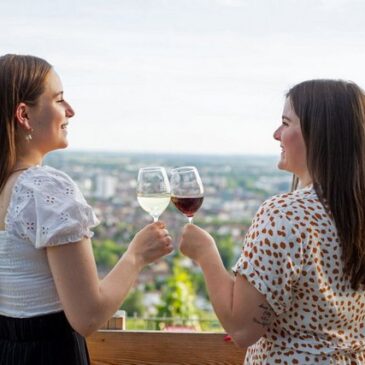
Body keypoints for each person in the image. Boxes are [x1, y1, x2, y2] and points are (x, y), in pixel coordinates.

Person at [0, 54, 173, 365]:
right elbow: (88, 315)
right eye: (59, 99)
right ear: (23, 115)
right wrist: (136, 255)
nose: (71, 111)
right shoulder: (44, 188)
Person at [179, 79, 365, 364]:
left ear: (320, 134)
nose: (276, 134)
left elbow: (242, 328)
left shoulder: (284, 214)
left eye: (286, 123)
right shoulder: (357, 211)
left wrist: (206, 253)